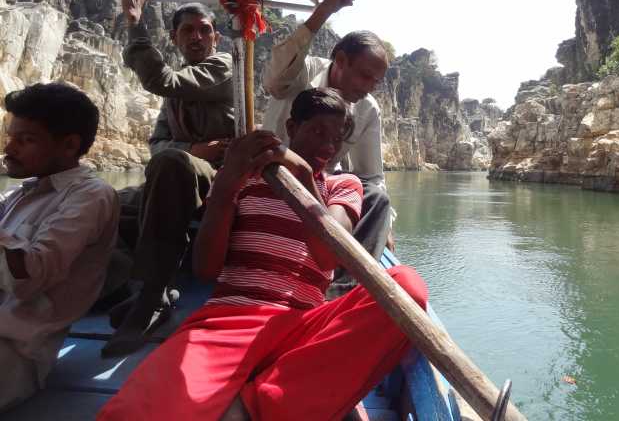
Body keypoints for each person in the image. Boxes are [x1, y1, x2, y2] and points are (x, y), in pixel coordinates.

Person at [97, 88, 427, 421]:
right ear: (291, 126)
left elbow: (328, 257)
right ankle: (282, 396)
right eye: (317, 132)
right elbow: (207, 268)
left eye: (337, 138)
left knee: (407, 288)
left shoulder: (342, 186)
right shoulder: (246, 178)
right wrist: (227, 181)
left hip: (303, 326)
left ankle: (256, 405)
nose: (328, 147)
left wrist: (302, 177)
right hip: (230, 320)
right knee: (130, 415)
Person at [103, 0, 235, 356]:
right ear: (174, 38)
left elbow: (162, 81)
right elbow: (157, 144)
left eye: (204, 29)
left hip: (222, 180)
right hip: (177, 173)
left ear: (216, 36)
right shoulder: (176, 96)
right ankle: (115, 284)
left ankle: (153, 295)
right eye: (187, 31)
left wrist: (134, 21)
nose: (197, 37)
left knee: (172, 163)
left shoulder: (223, 66)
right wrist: (190, 149)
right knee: (102, 201)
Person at [262, 0, 392, 297]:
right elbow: (273, 80)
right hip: (268, 175)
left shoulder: (367, 109)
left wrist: (388, 225)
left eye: (376, 81)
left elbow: (372, 175)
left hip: (318, 189)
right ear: (341, 60)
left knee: (377, 198)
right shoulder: (302, 73)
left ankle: (340, 289)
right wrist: (324, 11)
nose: (369, 87)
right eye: (364, 76)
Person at [0, 83, 118, 412]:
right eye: (11, 137)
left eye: (25, 140)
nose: (9, 148)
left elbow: (28, 280)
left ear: (68, 146)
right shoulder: (21, 195)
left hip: (14, 351)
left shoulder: (90, 196)